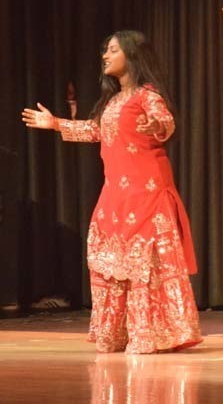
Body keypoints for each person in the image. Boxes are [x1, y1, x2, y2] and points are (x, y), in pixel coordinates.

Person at [21, 31, 202, 353]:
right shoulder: (114, 100)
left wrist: (155, 127)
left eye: (113, 50)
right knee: (110, 258)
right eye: (105, 50)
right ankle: (119, 332)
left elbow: (165, 122)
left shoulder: (148, 94)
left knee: (144, 264)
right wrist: (56, 124)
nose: (105, 55)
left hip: (147, 192)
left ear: (132, 55)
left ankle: (155, 333)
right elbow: (95, 131)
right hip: (116, 192)